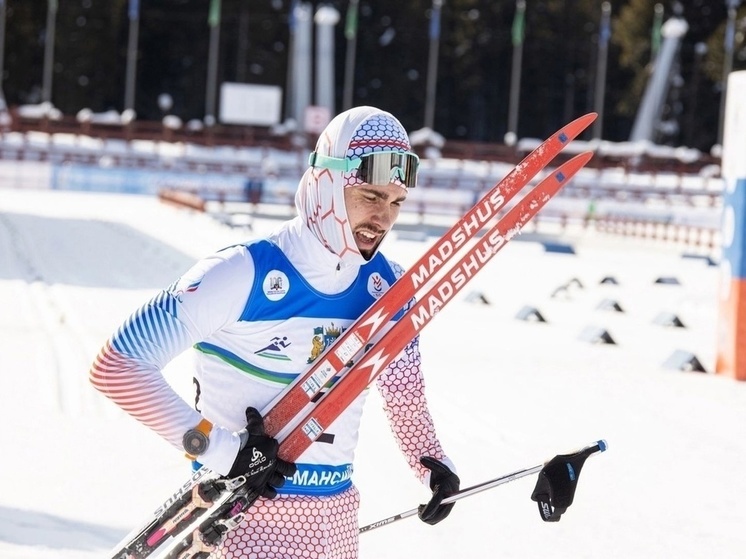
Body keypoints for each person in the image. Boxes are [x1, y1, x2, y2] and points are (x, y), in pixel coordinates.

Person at [90, 106, 459, 558]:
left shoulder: (387, 289)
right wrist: (224, 453)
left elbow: (403, 392)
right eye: (371, 195)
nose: (384, 217)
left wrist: (432, 465)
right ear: (327, 183)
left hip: (335, 525)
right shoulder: (241, 272)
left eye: (396, 202)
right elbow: (117, 366)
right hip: (241, 519)